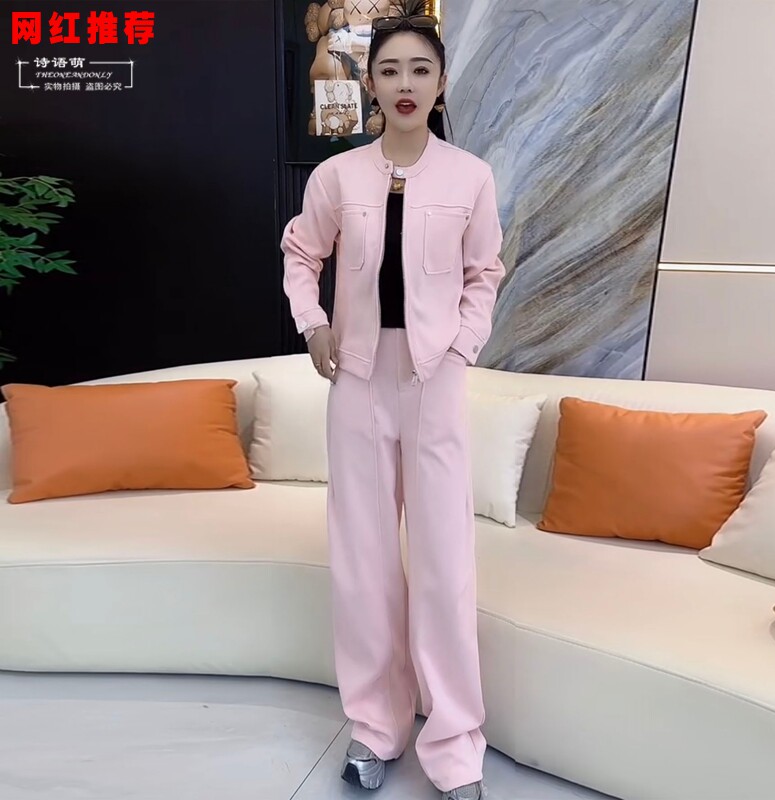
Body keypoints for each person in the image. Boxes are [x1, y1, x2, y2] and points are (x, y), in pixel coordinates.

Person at [281, 4, 505, 798]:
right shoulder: (337, 177)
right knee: (364, 563)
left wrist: (461, 346)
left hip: (434, 380)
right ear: (370, 84)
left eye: (420, 69)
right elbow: (301, 253)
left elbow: (484, 274)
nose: (405, 83)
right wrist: (313, 324)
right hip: (358, 380)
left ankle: (455, 748)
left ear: (441, 83)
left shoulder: (471, 176)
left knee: (443, 566)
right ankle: (376, 729)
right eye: (389, 70)